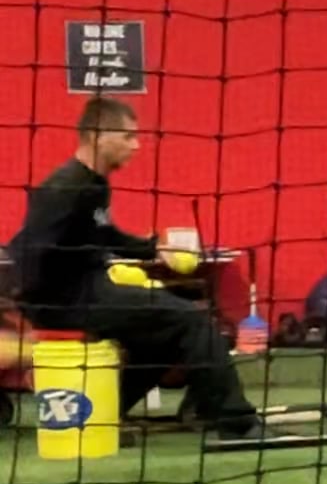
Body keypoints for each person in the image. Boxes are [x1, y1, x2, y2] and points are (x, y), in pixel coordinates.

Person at [6, 98, 280, 441]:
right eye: (127, 136)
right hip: (67, 300)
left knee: (161, 339)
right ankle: (237, 423)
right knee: (191, 319)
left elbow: (105, 235)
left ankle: (102, 415)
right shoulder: (65, 187)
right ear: (97, 136)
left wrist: (154, 248)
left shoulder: (94, 184)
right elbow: (28, 247)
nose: (136, 146)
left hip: (87, 290)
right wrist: (33, 310)